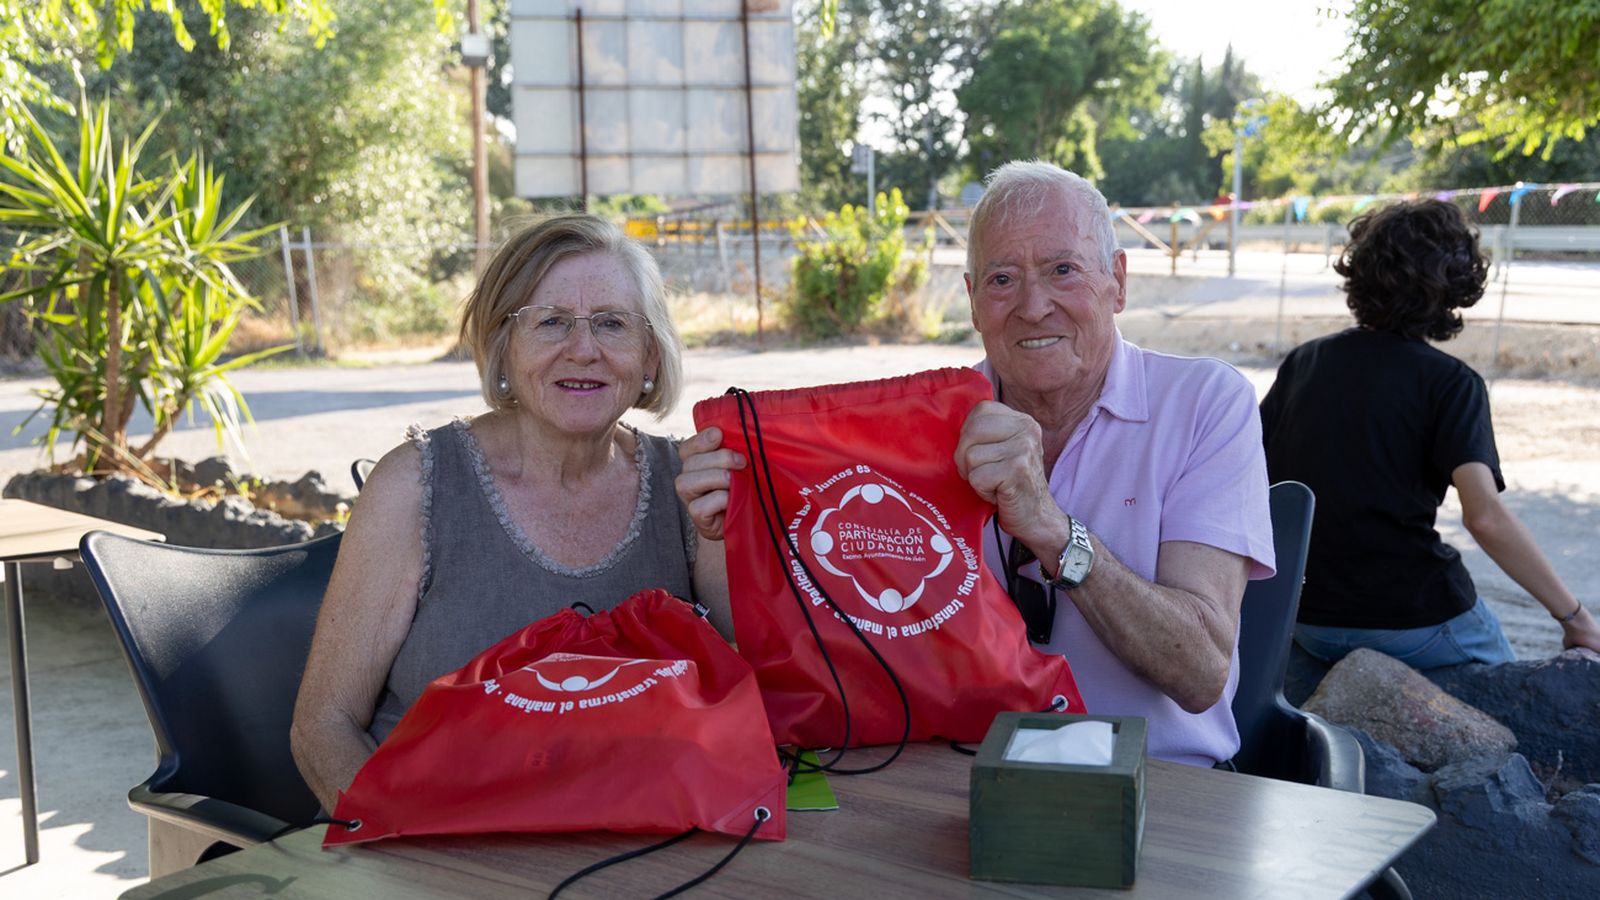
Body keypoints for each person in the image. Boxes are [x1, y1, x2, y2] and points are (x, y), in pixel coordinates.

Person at [679, 161, 1275, 766]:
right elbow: (817, 635)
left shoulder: (1204, 402)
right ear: (971, 300)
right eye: (1002, 279)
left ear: (1117, 282)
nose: (1033, 305)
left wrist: (1048, 526)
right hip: (949, 778)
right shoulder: (921, 424)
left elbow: (1200, 672)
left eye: (1062, 270)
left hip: (1159, 782)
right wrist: (733, 530)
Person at [291, 214, 730, 811]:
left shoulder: (690, 488)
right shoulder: (416, 484)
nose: (584, 349)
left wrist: (730, 537)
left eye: (612, 324)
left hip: (626, 839)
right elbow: (323, 726)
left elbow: (755, 691)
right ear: (503, 347)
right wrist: (404, 844)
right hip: (424, 836)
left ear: (650, 356)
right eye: (551, 322)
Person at [1259, 199, 1599, 668]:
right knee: (1506, 684)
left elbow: (1256, 479)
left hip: (1305, 618)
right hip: (1412, 617)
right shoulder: (1452, 383)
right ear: (1457, 284)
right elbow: (1485, 518)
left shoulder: (1304, 362)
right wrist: (1574, 617)